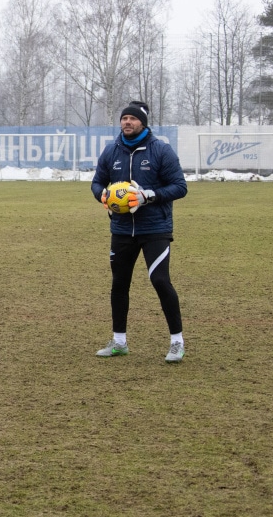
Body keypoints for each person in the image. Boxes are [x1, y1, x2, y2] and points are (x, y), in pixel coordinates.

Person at [91, 102, 189, 362]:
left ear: (143, 123)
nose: (127, 122)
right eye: (124, 118)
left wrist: (149, 196)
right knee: (119, 284)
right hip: (122, 229)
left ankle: (177, 342)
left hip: (155, 228)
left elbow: (180, 186)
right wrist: (101, 194)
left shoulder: (161, 151)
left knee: (160, 281)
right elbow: (98, 181)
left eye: (133, 118)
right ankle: (119, 342)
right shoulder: (111, 151)